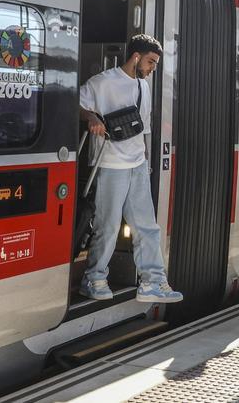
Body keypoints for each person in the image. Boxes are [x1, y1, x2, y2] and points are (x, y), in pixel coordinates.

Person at [79, 34, 182, 303]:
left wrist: (145, 161)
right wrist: (91, 117)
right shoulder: (102, 82)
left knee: (147, 226)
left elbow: (143, 129)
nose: (152, 68)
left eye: (156, 64)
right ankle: (94, 277)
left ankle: (153, 281)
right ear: (136, 56)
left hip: (137, 164)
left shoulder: (142, 87)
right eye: (150, 62)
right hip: (110, 164)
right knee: (108, 225)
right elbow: (74, 102)